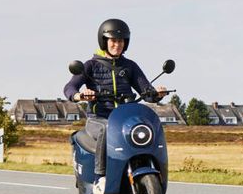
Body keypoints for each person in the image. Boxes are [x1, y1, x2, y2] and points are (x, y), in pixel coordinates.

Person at [63, 18, 168, 164]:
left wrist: (157, 94)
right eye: (113, 40)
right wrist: (78, 95)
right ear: (104, 41)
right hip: (98, 118)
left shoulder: (130, 66)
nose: (117, 45)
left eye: (121, 41)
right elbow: (69, 87)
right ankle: (100, 175)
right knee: (106, 130)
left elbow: (146, 91)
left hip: (125, 118)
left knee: (146, 130)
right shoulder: (91, 65)